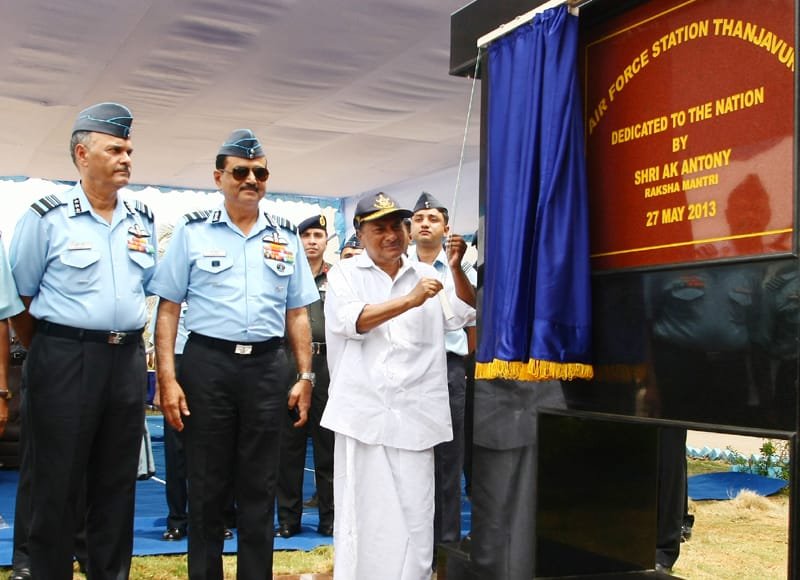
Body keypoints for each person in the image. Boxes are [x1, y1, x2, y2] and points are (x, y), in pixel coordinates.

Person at [150, 129, 319, 579]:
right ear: (218, 177)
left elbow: (298, 312)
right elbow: (168, 309)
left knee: (260, 485)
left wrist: (305, 376)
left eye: (259, 172)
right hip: (208, 365)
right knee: (206, 484)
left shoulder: (284, 234)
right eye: (240, 172)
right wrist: (166, 377)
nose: (251, 179)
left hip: (268, 367)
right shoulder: (192, 231)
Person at [9, 102, 156, 580]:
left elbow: (147, 289)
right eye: (115, 149)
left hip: (126, 360)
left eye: (129, 150)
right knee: (56, 482)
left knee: (117, 482)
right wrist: (55, 349)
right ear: (81, 153)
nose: (126, 158)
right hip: (64, 356)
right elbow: (20, 301)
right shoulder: (46, 217)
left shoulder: (142, 219)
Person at [321, 191, 476, 580]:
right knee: (363, 513)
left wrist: (455, 269)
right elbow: (353, 321)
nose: (391, 235)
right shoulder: (344, 274)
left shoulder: (430, 276)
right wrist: (409, 300)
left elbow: (465, 314)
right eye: (380, 228)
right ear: (360, 231)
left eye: (396, 226)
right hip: (363, 416)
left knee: (416, 514)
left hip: (415, 417)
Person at [408, 191, 477, 558]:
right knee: (411, 457)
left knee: (448, 460)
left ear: (445, 227)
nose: (424, 224)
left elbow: (473, 308)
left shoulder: (459, 263)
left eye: (432, 219)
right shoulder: (398, 265)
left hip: (448, 368)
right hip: (408, 367)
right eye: (419, 218)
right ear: (409, 228)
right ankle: (413, 542)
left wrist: (454, 266)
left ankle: (446, 545)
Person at [276, 214, 335, 538]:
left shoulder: (338, 278)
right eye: (306, 235)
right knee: (288, 448)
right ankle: (288, 520)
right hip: (289, 363)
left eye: (318, 235)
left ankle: (329, 518)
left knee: (328, 447)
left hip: (327, 366)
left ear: (326, 241)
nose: (312, 241)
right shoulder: (284, 275)